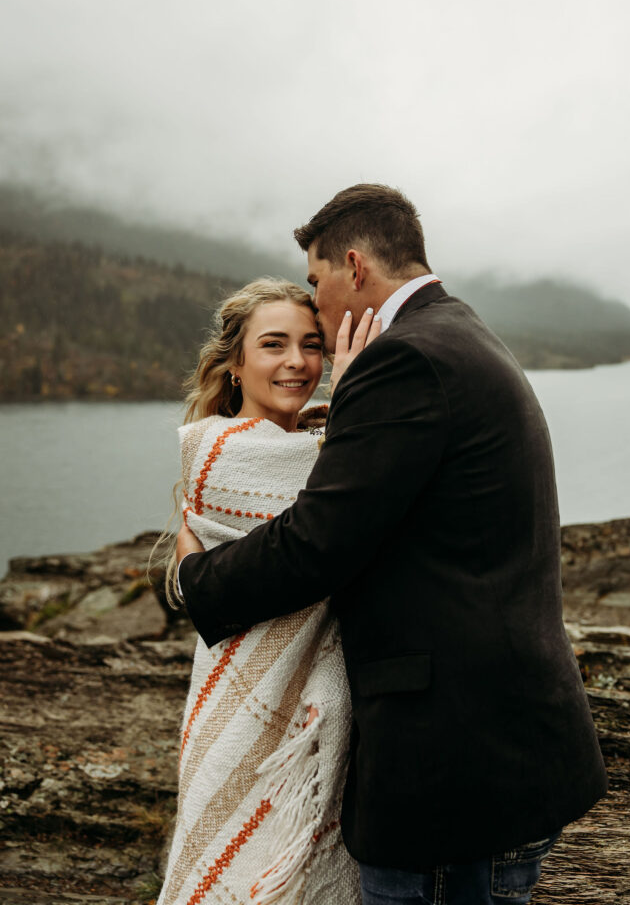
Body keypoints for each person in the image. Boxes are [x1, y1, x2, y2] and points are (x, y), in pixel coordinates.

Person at [177, 184, 608, 905]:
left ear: (353, 266)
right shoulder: (459, 333)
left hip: (452, 772)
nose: (317, 309)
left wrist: (195, 580)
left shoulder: (405, 358)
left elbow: (317, 542)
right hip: (502, 751)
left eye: (316, 287)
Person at [157, 278, 365, 905]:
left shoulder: (308, 443)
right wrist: (356, 403)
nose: (298, 362)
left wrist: (327, 426)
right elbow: (341, 515)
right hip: (251, 705)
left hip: (287, 708)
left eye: (311, 345)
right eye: (273, 344)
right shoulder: (225, 450)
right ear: (236, 364)